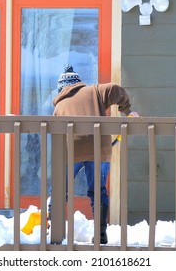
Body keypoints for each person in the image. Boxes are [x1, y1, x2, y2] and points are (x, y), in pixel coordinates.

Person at [52, 64, 139, 244]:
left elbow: (56, 134)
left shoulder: (59, 105)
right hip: (99, 148)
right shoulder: (95, 91)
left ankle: (55, 229)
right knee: (98, 190)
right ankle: (100, 234)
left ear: (61, 88)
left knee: (61, 188)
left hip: (72, 150)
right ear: (78, 83)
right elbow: (115, 89)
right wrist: (127, 111)